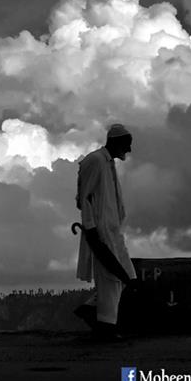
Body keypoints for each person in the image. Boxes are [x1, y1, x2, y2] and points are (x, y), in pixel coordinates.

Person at [73, 123, 137, 341]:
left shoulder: (107, 163)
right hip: (101, 230)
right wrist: (91, 229)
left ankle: (91, 308)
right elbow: (85, 197)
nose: (128, 150)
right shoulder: (96, 161)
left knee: (126, 275)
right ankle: (106, 327)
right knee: (111, 277)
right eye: (126, 145)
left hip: (112, 229)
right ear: (116, 142)